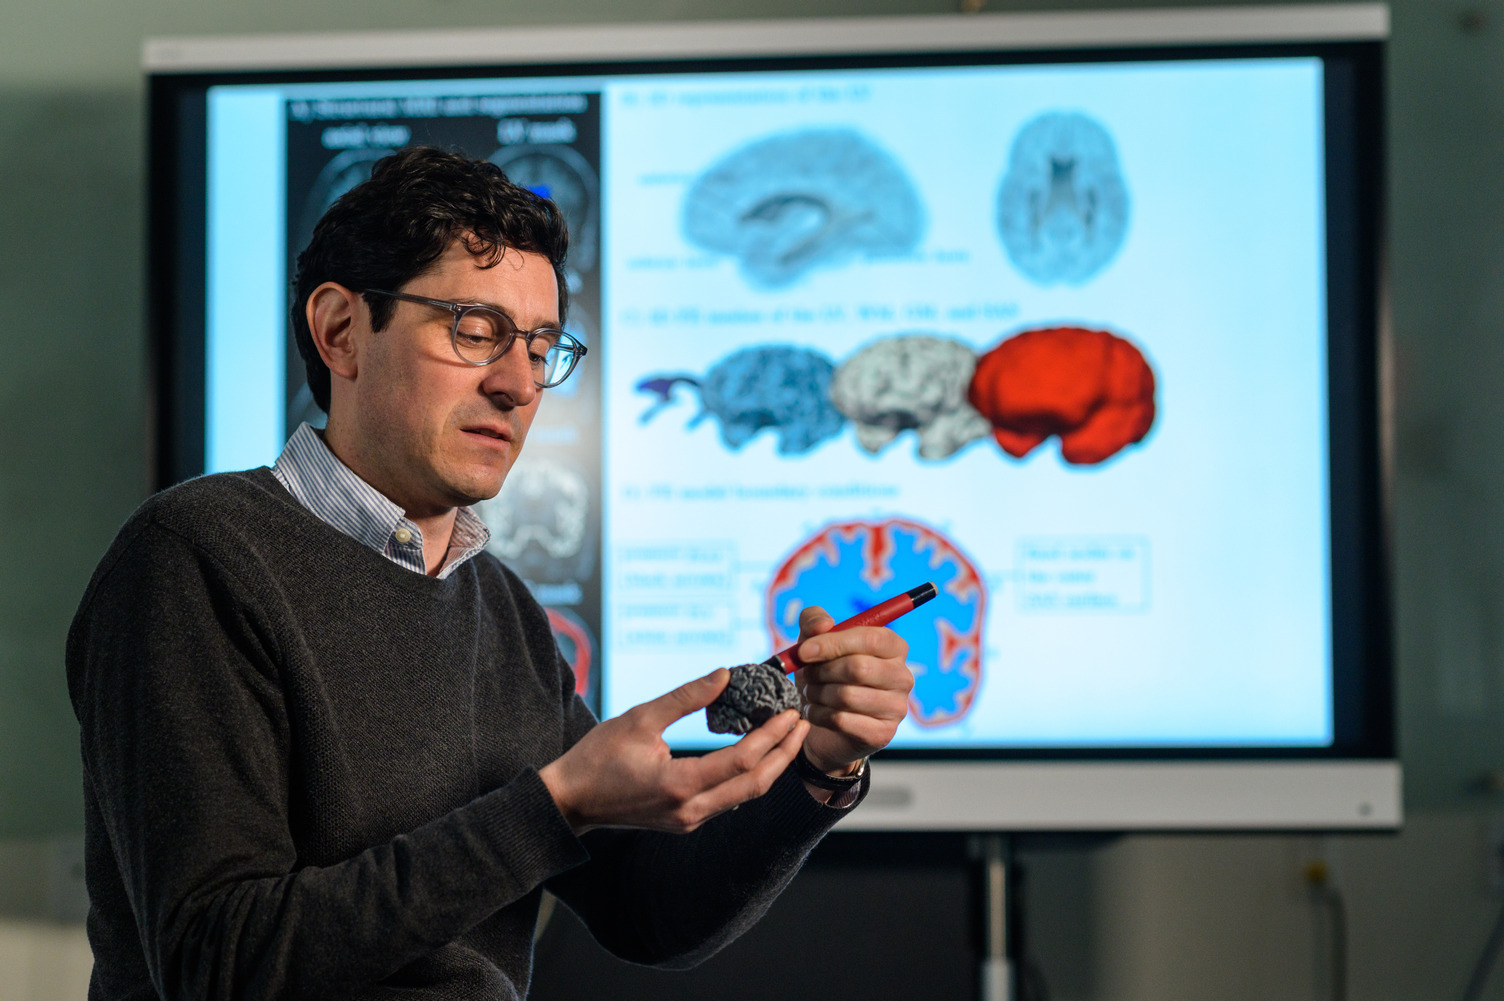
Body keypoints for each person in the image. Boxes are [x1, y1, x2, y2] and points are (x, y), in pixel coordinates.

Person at [66, 145, 915, 1000]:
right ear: (341, 331)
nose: (518, 384)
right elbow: (219, 962)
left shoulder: (499, 605)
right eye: (476, 332)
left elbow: (644, 910)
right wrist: (553, 806)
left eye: (542, 348)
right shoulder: (196, 557)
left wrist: (819, 770)